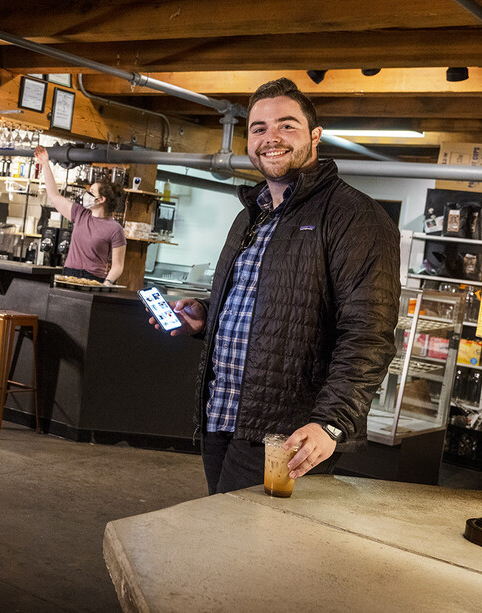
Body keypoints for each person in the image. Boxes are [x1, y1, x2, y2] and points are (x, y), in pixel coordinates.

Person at [149, 78, 399, 494]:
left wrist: (330, 424)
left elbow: (368, 334)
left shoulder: (355, 217)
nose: (271, 138)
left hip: (288, 433)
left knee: (253, 551)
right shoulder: (251, 214)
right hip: (222, 415)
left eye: (287, 126)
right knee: (225, 540)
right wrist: (204, 317)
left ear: (315, 137)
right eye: (259, 128)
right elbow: (267, 302)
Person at [33, 146, 127, 284]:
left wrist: (107, 283)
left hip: (93, 279)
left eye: (92, 192)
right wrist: (45, 164)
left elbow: (118, 265)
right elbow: (54, 195)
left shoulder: (115, 229)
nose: (86, 194)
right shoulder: (80, 214)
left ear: (101, 200)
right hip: (69, 273)